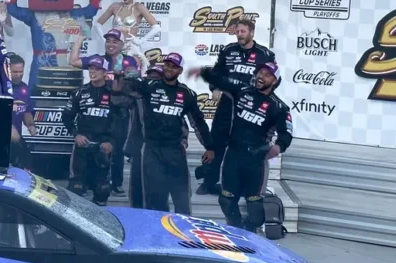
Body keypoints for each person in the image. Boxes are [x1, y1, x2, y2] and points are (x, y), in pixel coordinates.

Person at [189, 61, 293, 232]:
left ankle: (250, 230)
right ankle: (236, 231)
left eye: (267, 75)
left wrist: (277, 148)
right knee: (226, 200)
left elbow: (286, 134)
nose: (261, 76)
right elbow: (222, 81)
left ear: (275, 81)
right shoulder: (242, 90)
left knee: (255, 211)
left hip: (256, 162)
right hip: (233, 156)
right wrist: (203, 72)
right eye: (260, 72)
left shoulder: (279, 107)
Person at [118, 53, 213, 215]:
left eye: (174, 66)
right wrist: (127, 76)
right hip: (151, 150)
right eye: (167, 65)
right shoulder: (149, 85)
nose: (169, 69)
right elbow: (126, 92)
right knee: (155, 197)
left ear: (180, 70)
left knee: (182, 197)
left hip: (175, 150)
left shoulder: (187, 94)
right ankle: (157, 229)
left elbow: (198, 122)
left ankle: (184, 228)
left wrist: (209, 147)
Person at [197, 18, 276, 196]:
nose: (239, 35)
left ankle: (244, 185)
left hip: (250, 107)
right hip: (228, 103)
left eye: (243, 32)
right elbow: (217, 72)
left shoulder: (265, 54)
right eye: (237, 32)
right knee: (216, 141)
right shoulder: (228, 50)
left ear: (252, 33)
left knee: (245, 144)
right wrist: (215, 87)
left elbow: (271, 79)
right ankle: (209, 182)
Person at [71, 29, 136, 194]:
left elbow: (135, 78)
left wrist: (123, 76)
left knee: (117, 147)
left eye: (115, 41)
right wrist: (78, 41)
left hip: (120, 109)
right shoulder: (99, 60)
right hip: (101, 107)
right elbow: (74, 61)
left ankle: (117, 183)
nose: (111, 44)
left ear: (122, 44)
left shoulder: (128, 60)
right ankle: (93, 183)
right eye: (108, 41)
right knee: (96, 147)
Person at [62, 57, 117, 206]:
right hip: (83, 146)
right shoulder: (79, 92)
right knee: (76, 188)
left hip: (103, 148)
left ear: (105, 72)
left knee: (102, 191)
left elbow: (120, 122)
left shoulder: (114, 94)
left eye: (97, 69)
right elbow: (66, 117)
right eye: (91, 68)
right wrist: (76, 135)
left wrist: (112, 142)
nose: (93, 71)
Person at [0, 54, 37, 169]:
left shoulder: (24, 88)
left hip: (17, 138)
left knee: (27, 164)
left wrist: (31, 125)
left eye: (21, 71)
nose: (19, 75)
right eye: (15, 72)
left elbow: (27, 111)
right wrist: (8, 128)